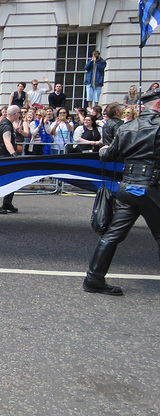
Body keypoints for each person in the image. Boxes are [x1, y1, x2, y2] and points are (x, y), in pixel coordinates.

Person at [83, 87, 160, 296]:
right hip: (151, 187)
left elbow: (109, 155)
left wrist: (102, 150)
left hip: (127, 187)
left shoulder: (126, 127)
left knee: (112, 235)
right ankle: (93, 280)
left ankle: (93, 279)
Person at [0, 105, 20, 214]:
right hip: (3, 157)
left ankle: (7, 203)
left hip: (1, 156)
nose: (20, 115)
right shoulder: (6, 126)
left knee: (11, 179)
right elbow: (7, 142)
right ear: (15, 114)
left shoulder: (4, 123)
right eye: (19, 113)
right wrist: (14, 154)